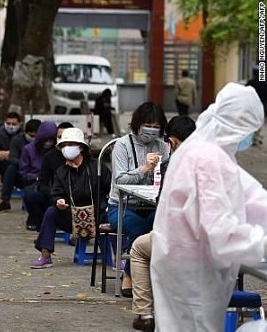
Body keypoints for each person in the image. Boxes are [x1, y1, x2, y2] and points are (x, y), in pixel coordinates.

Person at [151, 83, 267, 331]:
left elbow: (251, 199)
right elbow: (221, 233)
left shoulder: (205, 151)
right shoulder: (207, 158)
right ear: (237, 123)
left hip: (185, 268)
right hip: (192, 275)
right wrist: (262, 244)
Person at [130, 115, 196, 332]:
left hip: (182, 240)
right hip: (216, 239)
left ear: (173, 142)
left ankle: (145, 314)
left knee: (139, 248)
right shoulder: (215, 160)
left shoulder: (174, 164)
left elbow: (163, 205)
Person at [107, 102, 169, 297]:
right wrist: (144, 169)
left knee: (163, 226)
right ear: (137, 123)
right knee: (139, 228)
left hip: (151, 206)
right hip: (122, 206)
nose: (151, 130)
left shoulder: (162, 146)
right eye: (147, 124)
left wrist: (161, 169)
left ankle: (152, 276)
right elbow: (119, 180)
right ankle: (129, 276)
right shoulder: (122, 145)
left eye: (156, 126)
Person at [30, 128, 111, 269]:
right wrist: (59, 201)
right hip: (72, 217)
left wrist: (108, 205)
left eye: (71, 144)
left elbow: (111, 188)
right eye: (64, 145)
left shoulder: (97, 167)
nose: (67, 148)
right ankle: (45, 255)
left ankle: (120, 258)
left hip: (98, 215)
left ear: (80, 147)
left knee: (116, 215)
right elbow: (56, 193)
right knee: (51, 212)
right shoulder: (61, 172)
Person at [24, 122, 75, 230]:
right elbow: (43, 182)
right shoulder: (49, 157)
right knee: (32, 196)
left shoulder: (81, 156)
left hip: (77, 197)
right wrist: (54, 196)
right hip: (54, 195)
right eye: (59, 137)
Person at [0, 118, 40, 214]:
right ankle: (5, 201)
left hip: (40, 174)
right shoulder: (17, 140)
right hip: (23, 172)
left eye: (35, 136)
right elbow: (12, 158)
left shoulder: (44, 143)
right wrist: (27, 163)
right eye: (31, 135)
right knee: (11, 169)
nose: (33, 138)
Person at [19, 121, 58, 231]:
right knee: (31, 195)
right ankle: (34, 218)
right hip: (34, 180)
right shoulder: (28, 149)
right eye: (45, 140)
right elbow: (23, 172)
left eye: (50, 140)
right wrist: (36, 177)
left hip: (53, 181)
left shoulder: (57, 151)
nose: (48, 143)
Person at [246, 64, 267, 146]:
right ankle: (257, 138)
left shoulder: (250, 83)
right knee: (259, 122)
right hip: (262, 106)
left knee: (251, 121)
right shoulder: (265, 83)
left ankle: (252, 138)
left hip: (252, 106)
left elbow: (245, 93)